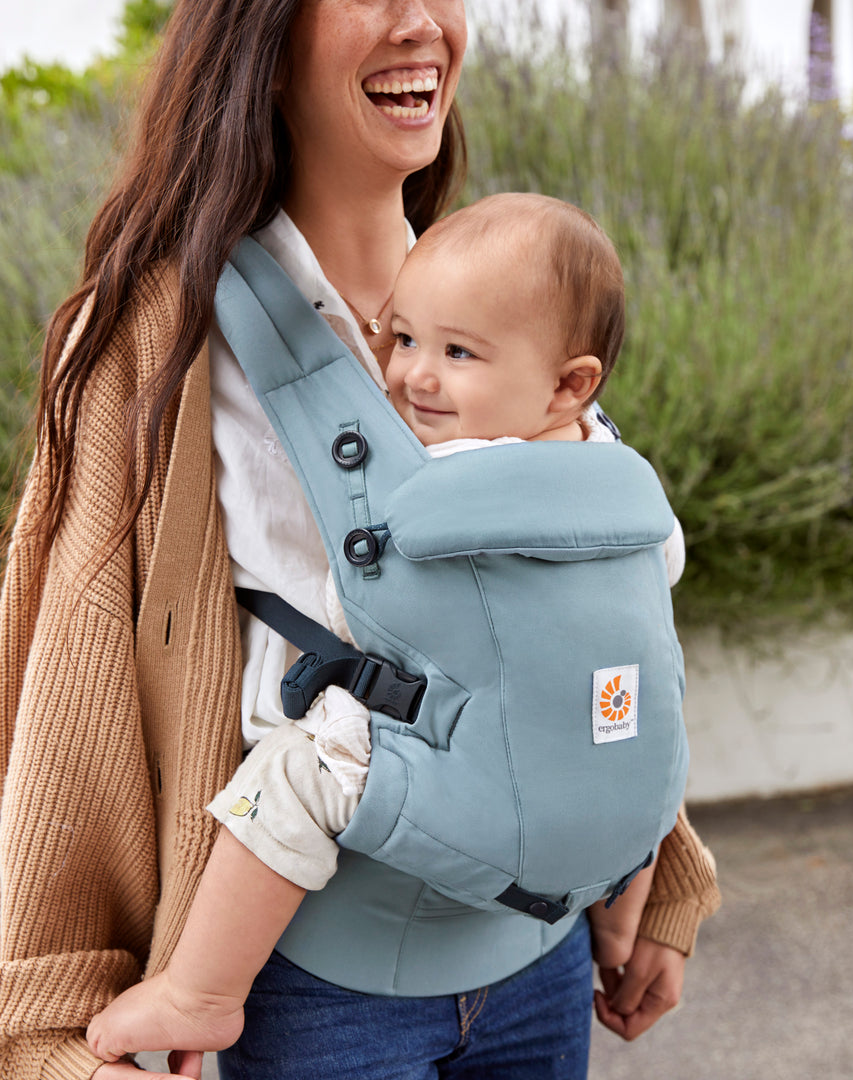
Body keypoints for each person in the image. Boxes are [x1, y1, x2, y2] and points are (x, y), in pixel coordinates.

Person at [0, 3, 720, 1079]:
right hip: (314, 991)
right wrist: (55, 1025)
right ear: (263, 36)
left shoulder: (498, 290)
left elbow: (577, 619)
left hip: (539, 960)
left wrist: (658, 871)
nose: (422, 22)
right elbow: (78, 678)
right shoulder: (159, 334)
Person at [85, 191, 684, 1063]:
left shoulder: (445, 483)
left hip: (476, 840)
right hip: (589, 845)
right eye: (403, 340)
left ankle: (199, 992)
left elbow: (346, 607)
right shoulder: (622, 480)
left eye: (456, 353)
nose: (412, 377)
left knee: (302, 770)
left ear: (569, 382)